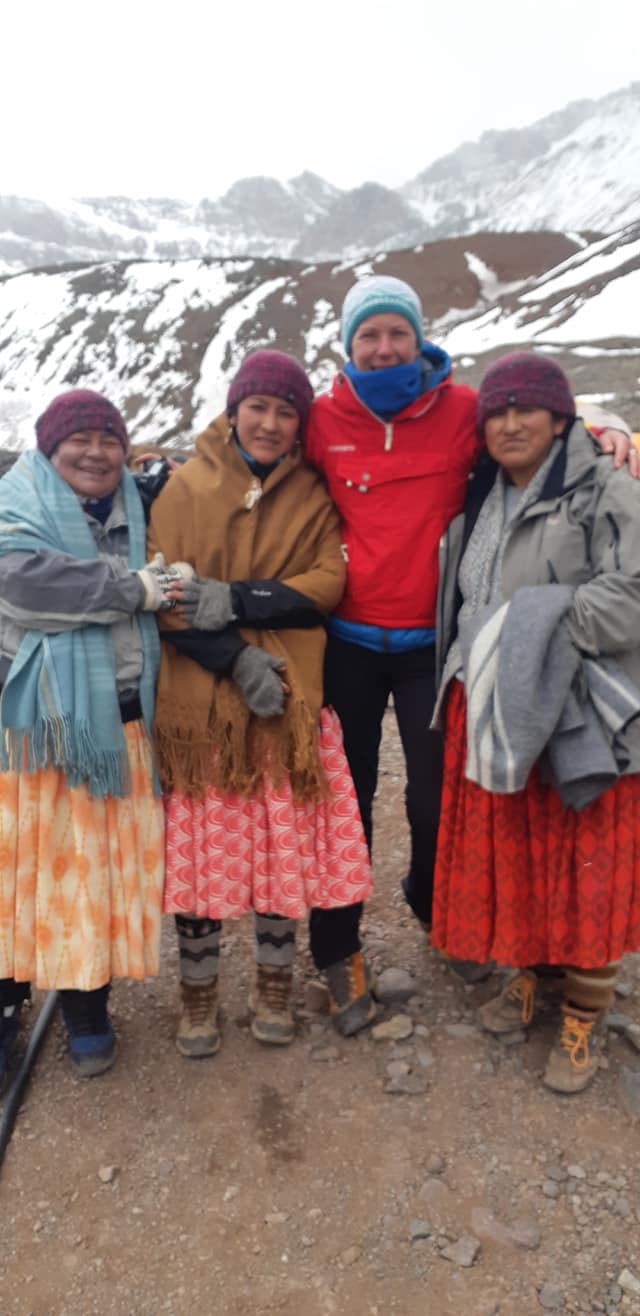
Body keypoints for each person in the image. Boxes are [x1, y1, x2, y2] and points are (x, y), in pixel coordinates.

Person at [304, 274, 636, 1022]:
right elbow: (254, 441)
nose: (385, 347)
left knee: (436, 802)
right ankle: (336, 945)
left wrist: (604, 422)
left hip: (437, 646)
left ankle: (435, 906)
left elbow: (536, 417)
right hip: (347, 645)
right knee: (344, 800)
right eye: (369, 335)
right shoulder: (324, 421)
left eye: (398, 332)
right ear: (349, 345)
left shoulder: (461, 411)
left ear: (419, 339)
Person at [148, 350, 373, 1054]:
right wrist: (238, 655)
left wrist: (240, 601)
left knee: (279, 845)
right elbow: (165, 601)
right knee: (203, 850)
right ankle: (198, 996)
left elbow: (326, 584)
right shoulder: (184, 491)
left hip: (285, 700)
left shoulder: (311, 493)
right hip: (203, 701)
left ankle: (274, 984)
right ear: (234, 408)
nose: (271, 424)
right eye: (259, 407)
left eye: (285, 411)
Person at [430, 352, 640, 1093]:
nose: (511, 424)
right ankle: (529, 972)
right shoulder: (485, 491)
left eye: (528, 410)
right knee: (519, 850)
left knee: (586, 860)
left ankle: (584, 1012)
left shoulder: (606, 486)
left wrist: (538, 628)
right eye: (498, 413)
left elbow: (635, 594)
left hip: (578, 706)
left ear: (562, 418)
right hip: (493, 704)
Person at [0, 390, 178, 1086]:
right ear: (49, 448)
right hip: (37, 733)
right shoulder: (17, 504)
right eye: (80, 439)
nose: (96, 452)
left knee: (96, 878)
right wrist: (136, 588)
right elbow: (22, 586)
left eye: (110, 439)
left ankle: (85, 1008)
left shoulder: (138, 506)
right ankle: (7, 1011)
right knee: (18, 880)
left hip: (121, 726)